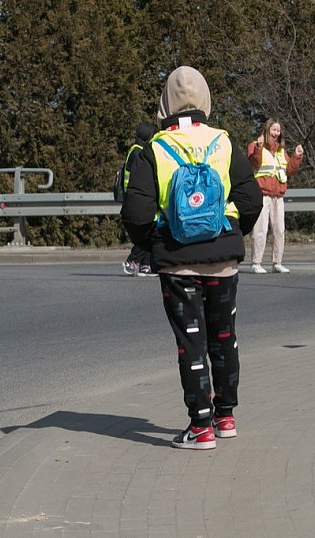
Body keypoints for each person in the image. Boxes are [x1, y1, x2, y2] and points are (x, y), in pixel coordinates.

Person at [121, 66, 262, 450]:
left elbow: (135, 214)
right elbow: (252, 201)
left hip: (178, 264)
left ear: (164, 103)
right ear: (206, 100)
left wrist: (155, 244)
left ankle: (199, 426)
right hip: (223, 262)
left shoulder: (156, 149)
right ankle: (225, 416)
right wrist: (230, 232)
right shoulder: (223, 143)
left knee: (192, 344)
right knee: (224, 339)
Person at [247, 119, 304, 274]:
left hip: (278, 195)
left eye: (278, 131)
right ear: (267, 130)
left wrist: (297, 157)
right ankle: (256, 262)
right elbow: (254, 163)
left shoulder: (280, 151)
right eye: (273, 130)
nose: (276, 133)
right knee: (261, 229)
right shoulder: (255, 145)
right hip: (262, 194)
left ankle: (277, 262)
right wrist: (258, 147)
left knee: (279, 230)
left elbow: (289, 170)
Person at [119, 121, 158, 277]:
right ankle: (133, 261)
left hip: (136, 196)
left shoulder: (137, 150)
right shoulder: (138, 152)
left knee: (152, 230)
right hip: (137, 198)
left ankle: (146, 265)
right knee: (147, 231)